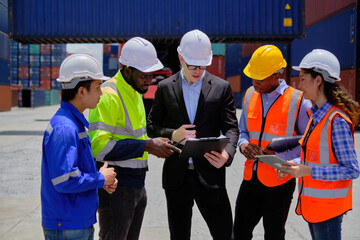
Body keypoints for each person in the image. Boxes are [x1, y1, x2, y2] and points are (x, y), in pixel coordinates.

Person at [147, 29, 239, 240]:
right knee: (179, 236)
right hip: (176, 177)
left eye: (203, 65)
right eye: (193, 66)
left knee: (224, 233)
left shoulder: (221, 87)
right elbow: (151, 126)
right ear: (181, 58)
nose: (199, 71)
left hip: (211, 174)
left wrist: (227, 155)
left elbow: (232, 129)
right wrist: (173, 134)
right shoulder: (164, 87)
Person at [88, 37, 180, 240]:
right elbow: (98, 147)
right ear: (126, 69)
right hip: (116, 189)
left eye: (151, 74)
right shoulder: (109, 95)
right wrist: (147, 146)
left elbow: (136, 135)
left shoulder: (134, 91)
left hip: (137, 185)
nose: (149, 80)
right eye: (144, 75)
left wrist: (157, 144)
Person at [279, 49, 360, 240]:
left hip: (329, 210)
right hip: (314, 207)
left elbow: (351, 169)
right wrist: (294, 165)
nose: (298, 85)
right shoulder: (315, 115)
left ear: (318, 80)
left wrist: (308, 171)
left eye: (302, 79)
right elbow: (313, 156)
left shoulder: (337, 121)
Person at [234, 45, 312, 240]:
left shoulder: (299, 101)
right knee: (238, 233)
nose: (254, 82)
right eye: (252, 76)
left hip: (279, 181)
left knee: (274, 235)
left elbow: (308, 145)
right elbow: (242, 130)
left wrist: (279, 157)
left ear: (278, 74)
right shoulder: (250, 94)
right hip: (250, 178)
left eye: (260, 77)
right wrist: (243, 144)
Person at [41, 53, 118, 240]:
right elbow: (64, 179)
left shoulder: (73, 123)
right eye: (98, 87)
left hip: (73, 221)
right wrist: (100, 178)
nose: (101, 93)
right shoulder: (65, 128)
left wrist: (102, 180)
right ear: (82, 91)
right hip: (68, 225)